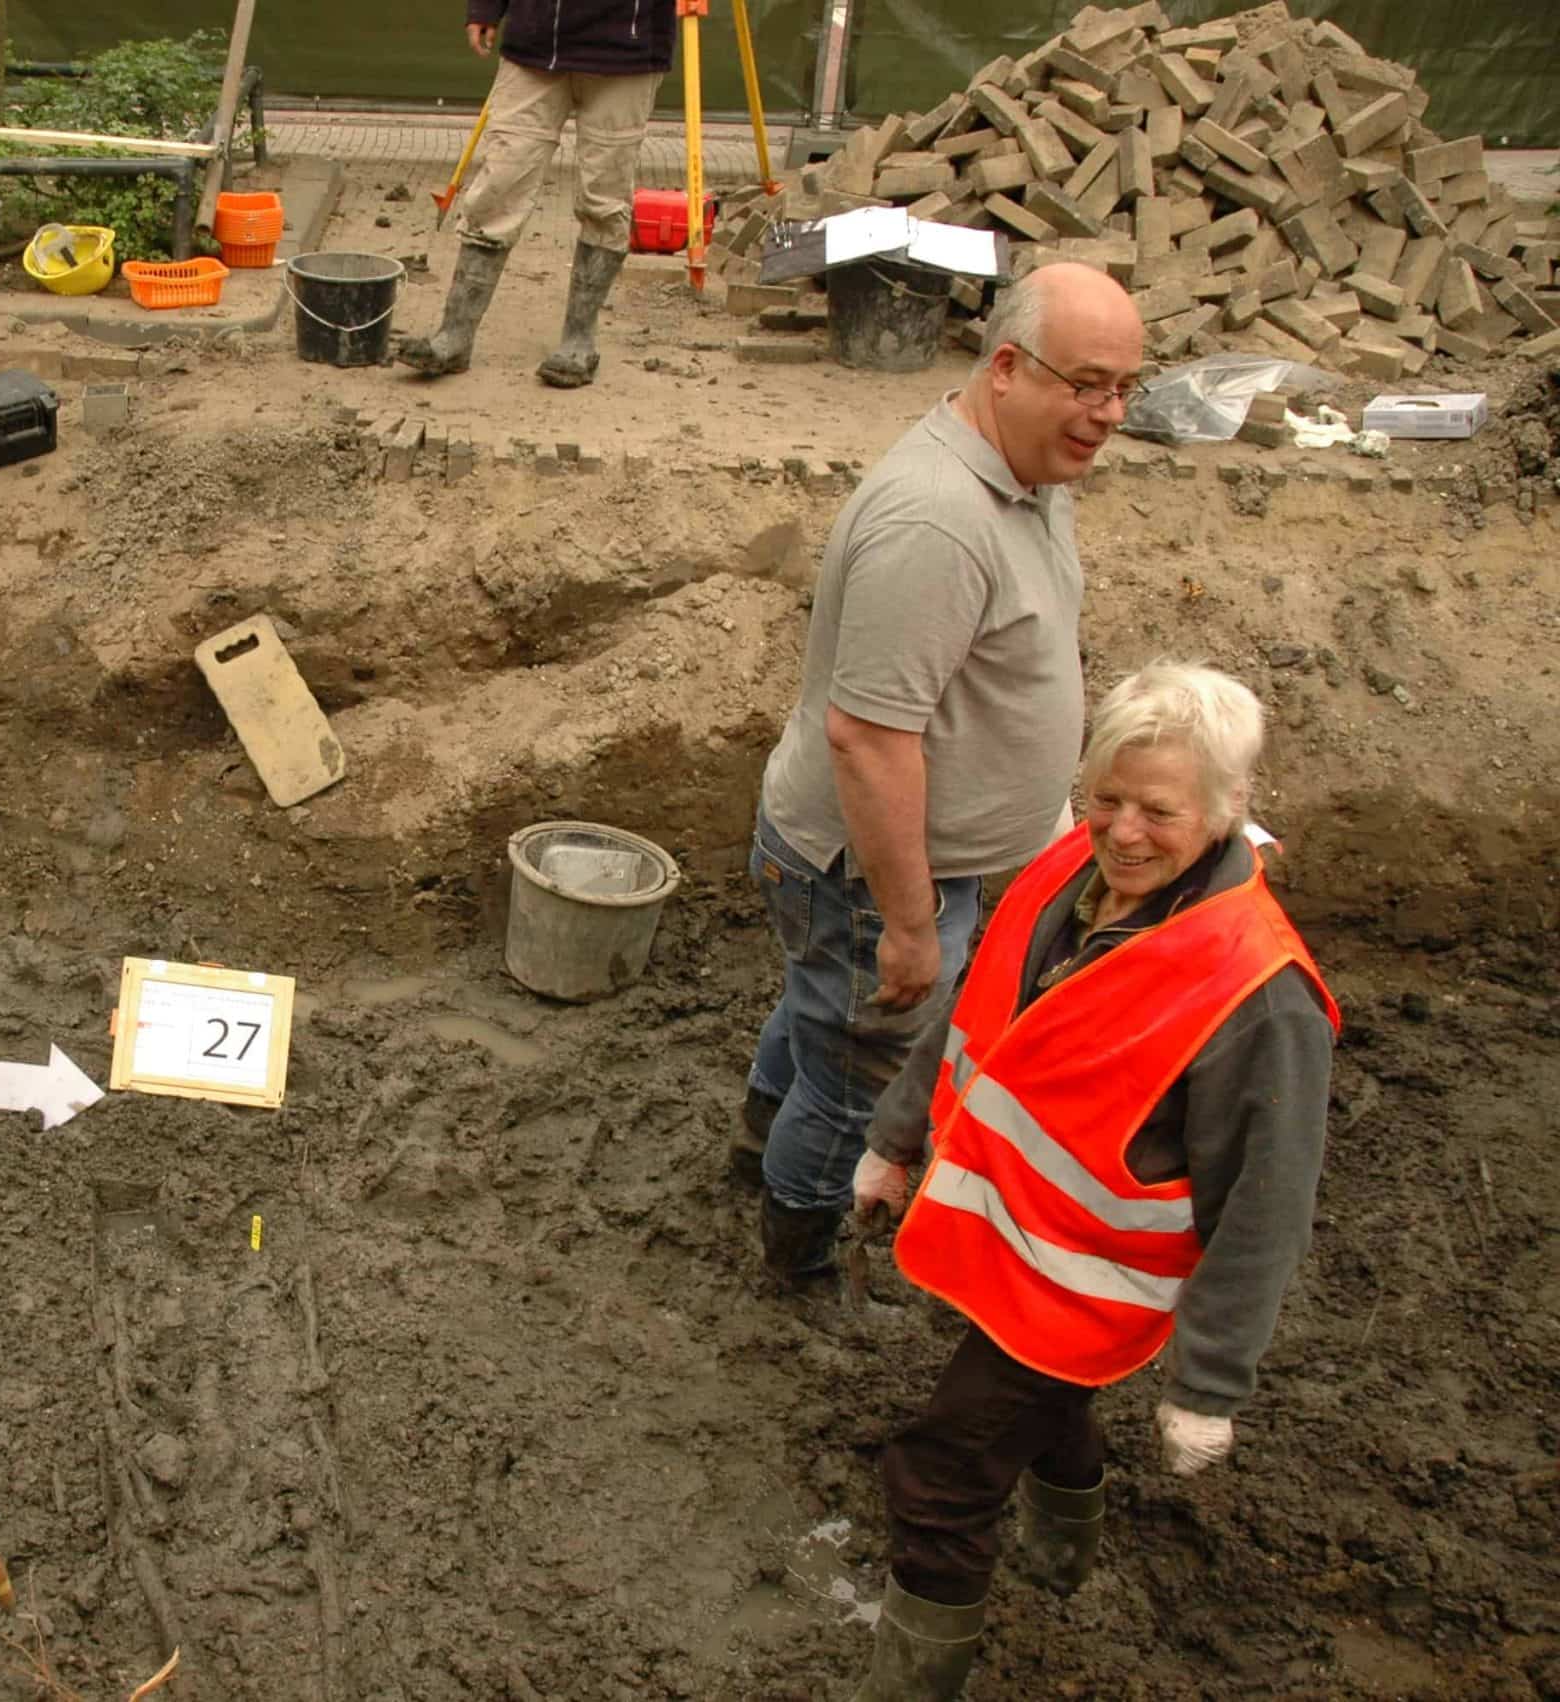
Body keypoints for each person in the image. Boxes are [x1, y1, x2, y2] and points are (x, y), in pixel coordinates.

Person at [841, 663, 1338, 1700]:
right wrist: (895, 1138)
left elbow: (1268, 1202)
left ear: (1226, 808)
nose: (1120, 832)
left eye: (1157, 811)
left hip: (1091, 1284)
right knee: (1041, 1404)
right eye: (1106, 796)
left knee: (937, 1478)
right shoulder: (1064, 868)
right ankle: (1062, 1550)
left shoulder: (1256, 993)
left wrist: (1208, 1381)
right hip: (1011, 1248)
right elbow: (974, 1010)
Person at [739, 261, 1144, 1304]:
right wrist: (913, 925)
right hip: (875, 876)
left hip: (905, 869)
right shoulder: (935, 523)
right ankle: (798, 1263)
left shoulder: (1024, 468)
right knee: (853, 1077)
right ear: (1005, 366)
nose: (1107, 415)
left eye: (1124, 389)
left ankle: (753, 1151)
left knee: (820, 1019)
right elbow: (869, 740)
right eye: (1086, 384)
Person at [396, 1, 673, 387]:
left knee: (603, 200)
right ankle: (454, 337)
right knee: (499, 186)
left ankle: (579, 340)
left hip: (628, 49)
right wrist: (486, 8)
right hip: (536, 43)